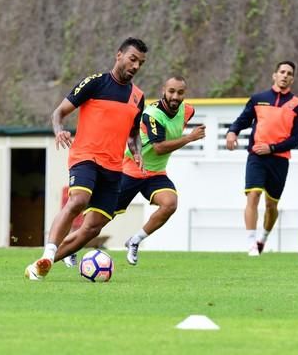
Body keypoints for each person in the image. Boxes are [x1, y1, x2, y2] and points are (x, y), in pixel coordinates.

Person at [25, 37, 148, 281]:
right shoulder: (95, 83)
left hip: (113, 167)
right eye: (132, 59)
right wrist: (59, 129)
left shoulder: (138, 97)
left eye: (140, 63)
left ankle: (44, 263)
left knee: (92, 227)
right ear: (119, 55)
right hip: (86, 156)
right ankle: (49, 250)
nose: (135, 66)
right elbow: (59, 113)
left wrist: (136, 150)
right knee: (79, 200)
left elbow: (133, 132)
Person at [61, 76, 205, 267]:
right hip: (131, 170)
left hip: (156, 173)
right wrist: (189, 138)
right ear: (163, 90)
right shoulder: (152, 114)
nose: (175, 96)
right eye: (171, 91)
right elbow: (158, 147)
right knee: (99, 220)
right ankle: (71, 247)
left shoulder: (188, 111)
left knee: (170, 204)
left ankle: (135, 240)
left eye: (180, 92)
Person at [226, 61, 298, 256]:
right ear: (274, 75)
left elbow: (297, 138)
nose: (285, 75)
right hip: (256, 157)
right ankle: (251, 244)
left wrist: (271, 148)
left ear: (292, 79)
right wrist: (232, 132)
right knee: (253, 195)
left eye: (289, 73)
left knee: (271, 206)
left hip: (279, 160)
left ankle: (263, 238)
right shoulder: (258, 99)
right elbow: (242, 120)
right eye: (282, 72)